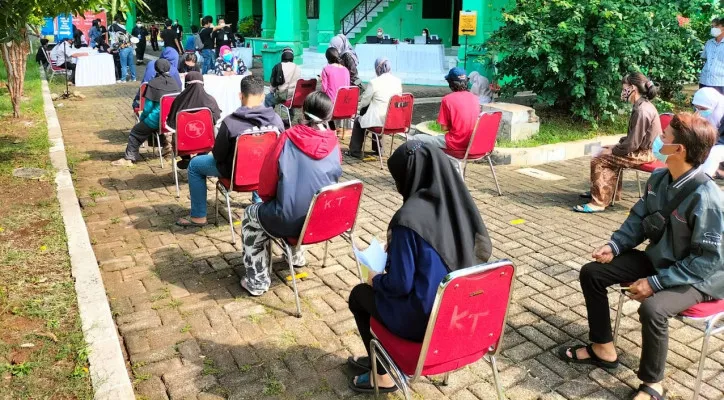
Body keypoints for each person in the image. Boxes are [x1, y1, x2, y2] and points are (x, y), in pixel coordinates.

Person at [557, 112, 724, 400]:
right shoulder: (659, 179)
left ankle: (652, 383)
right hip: (661, 260)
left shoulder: (707, 198)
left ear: (679, 149)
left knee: (653, 308)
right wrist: (616, 246)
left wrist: (656, 283)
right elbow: (638, 218)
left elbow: (706, 260)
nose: (660, 139)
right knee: (592, 272)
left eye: (666, 137)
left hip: (699, 278)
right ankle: (602, 348)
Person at [346, 141, 493, 394]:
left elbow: (399, 285)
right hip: (461, 316)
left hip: (424, 321)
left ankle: (382, 374)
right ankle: (378, 355)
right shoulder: (460, 207)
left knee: (359, 296)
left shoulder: (408, 219)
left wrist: (375, 280)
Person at [239, 91, 342, 296]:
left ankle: (258, 280)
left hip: (287, 216)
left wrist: (270, 201)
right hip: (319, 218)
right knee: (301, 200)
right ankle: (295, 257)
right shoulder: (334, 143)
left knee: (251, 216)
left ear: (303, 111)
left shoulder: (287, 137)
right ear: (329, 115)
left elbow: (266, 185)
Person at [174, 75, 286, 226]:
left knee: (194, 165)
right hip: (265, 174)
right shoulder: (277, 120)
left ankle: (198, 216)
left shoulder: (230, 123)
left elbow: (218, 156)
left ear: (240, 95)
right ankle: (259, 204)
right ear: (263, 96)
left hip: (235, 175)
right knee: (261, 160)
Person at [574, 72, 661, 213]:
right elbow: (633, 139)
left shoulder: (642, 110)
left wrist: (613, 150)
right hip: (640, 149)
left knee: (598, 158)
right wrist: (615, 146)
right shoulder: (642, 105)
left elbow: (633, 144)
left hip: (644, 153)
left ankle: (599, 202)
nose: (622, 91)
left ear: (632, 88)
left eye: (624, 87)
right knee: (599, 151)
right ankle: (604, 192)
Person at [112, 59, 181, 167]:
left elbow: (147, 108)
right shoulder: (175, 83)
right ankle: (166, 146)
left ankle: (129, 158)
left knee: (136, 131)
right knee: (155, 127)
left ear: (156, 68)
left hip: (155, 119)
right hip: (170, 120)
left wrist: (142, 118)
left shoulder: (153, 83)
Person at [409, 67, 480, 154]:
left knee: (416, 138)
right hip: (472, 144)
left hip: (455, 143)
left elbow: (444, 128)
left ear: (450, 83)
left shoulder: (447, 99)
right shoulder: (475, 98)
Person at [346, 58, 402, 158]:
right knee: (374, 116)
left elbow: (364, 102)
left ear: (377, 68)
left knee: (359, 120)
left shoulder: (374, 82)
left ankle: (354, 151)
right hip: (393, 120)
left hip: (379, 121)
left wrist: (361, 105)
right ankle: (379, 149)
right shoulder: (397, 82)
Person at [165, 71, 222, 169]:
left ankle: (186, 159)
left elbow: (171, 124)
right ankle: (201, 157)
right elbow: (216, 119)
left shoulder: (178, 100)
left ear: (186, 83)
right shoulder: (210, 100)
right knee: (214, 130)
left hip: (183, 145)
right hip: (206, 143)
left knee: (176, 133)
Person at [692, 87, 724, 178]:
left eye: (702, 108)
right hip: (715, 140)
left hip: (720, 142)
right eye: (696, 108)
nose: (698, 111)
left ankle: (703, 180)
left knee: (714, 153)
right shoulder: (701, 107)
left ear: (713, 104)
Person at [321, 47, 351, 131]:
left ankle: (330, 129)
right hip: (344, 104)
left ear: (327, 58)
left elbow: (324, 89)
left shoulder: (326, 69)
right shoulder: (346, 70)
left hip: (330, 106)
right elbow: (348, 87)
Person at [264, 48, 301, 114]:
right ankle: (290, 116)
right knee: (290, 99)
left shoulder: (278, 66)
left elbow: (273, 84)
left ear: (282, 56)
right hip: (294, 96)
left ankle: (269, 116)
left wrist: (272, 92)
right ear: (292, 57)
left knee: (268, 98)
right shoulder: (297, 67)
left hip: (282, 96)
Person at [700, 18, 724, 94]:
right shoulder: (709, 43)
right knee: (704, 104)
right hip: (705, 80)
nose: (713, 29)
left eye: (716, 27)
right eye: (712, 26)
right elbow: (705, 58)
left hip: (720, 82)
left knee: (720, 105)